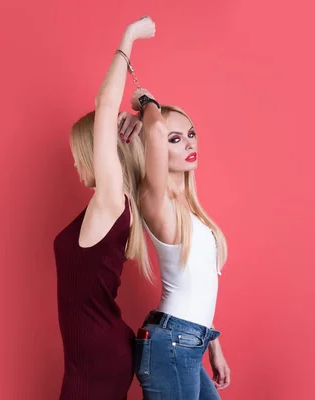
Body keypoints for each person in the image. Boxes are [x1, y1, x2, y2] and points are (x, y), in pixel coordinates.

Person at [53, 16, 155, 400]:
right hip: (93, 356)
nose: (76, 164)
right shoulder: (111, 209)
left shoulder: (110, 204)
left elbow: (104, 103)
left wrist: (128, 37)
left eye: (77, 154)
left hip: (95, 361)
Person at [130, 88, 232, 399]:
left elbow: (196, 284)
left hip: (187, 341)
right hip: (172, 342)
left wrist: (214, 346)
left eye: (190, 134)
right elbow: (156, 128)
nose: (189, 142)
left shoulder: (192, 211)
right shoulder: (156, 200)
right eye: (174, 139)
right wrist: (144, 103)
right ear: (156, 146)